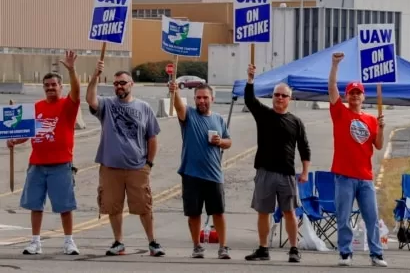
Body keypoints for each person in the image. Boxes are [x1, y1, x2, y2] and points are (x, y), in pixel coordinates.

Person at [86, 60, 165, 257]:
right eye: (116, 83)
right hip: (110, 167)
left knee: (144, 206)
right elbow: (90, 99)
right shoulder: (107, 105)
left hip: (137, 167)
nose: (119, 86)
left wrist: (149, 163)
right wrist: (95, 76)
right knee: (114, 206)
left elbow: (152, 137)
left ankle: (153, 242)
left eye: (122, 82)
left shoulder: (144, 107)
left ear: (131, 84)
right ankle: (118, 242)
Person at [6, 50, 81, 255]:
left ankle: (68, 241)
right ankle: (35, 241)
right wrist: (14, 140)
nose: (50, 88)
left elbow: (77, 90)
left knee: (65, 206)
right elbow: (26, 133)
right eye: (47, 86)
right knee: (35, 205)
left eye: (54, 85)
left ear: (61, 87)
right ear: (43, 88)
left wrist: (72, 70)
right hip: (37, 165)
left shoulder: (68, 105)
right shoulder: (35, 107)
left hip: (61, 164)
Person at [243, 64, 311, 263]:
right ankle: (263, 249)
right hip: (265, 171)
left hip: (287, 174)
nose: (279, 98)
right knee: (263, 211)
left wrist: (305, 171)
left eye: (283, 95)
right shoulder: (263, 115)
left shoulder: (296, 122)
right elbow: (249, 100)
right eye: (276, 95)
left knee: (290, 212)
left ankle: (293, 249)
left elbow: (304, 148)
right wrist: (250, 79)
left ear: (290, 99)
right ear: (272, 97)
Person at [327, 52, 388, 268]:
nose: (354, 96)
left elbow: (379, 145)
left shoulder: (372, 120)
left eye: (358, 93)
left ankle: (376, 254)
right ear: (346, 96)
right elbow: (332, 87)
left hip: (365, 178)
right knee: (343, 218)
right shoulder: (340, 114)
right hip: (344, 176)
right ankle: (345, 252)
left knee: (372, 218)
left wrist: (381, 129)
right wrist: (335, 65)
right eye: (351, 93)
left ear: (363, 97)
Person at [168, 80, 232, 259]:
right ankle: (197, 246)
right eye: (198, 98)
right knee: (194, 213)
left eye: (205, 97)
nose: (201, 101)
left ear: (212, 98)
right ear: (194, 99)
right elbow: (178, 106)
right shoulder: (188, 115)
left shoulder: (218, 119)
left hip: (214, 174)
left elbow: (229, 141)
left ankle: (223, 247)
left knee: (218, 212)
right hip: (191, 174)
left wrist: (221, 142)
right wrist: (175, 92)